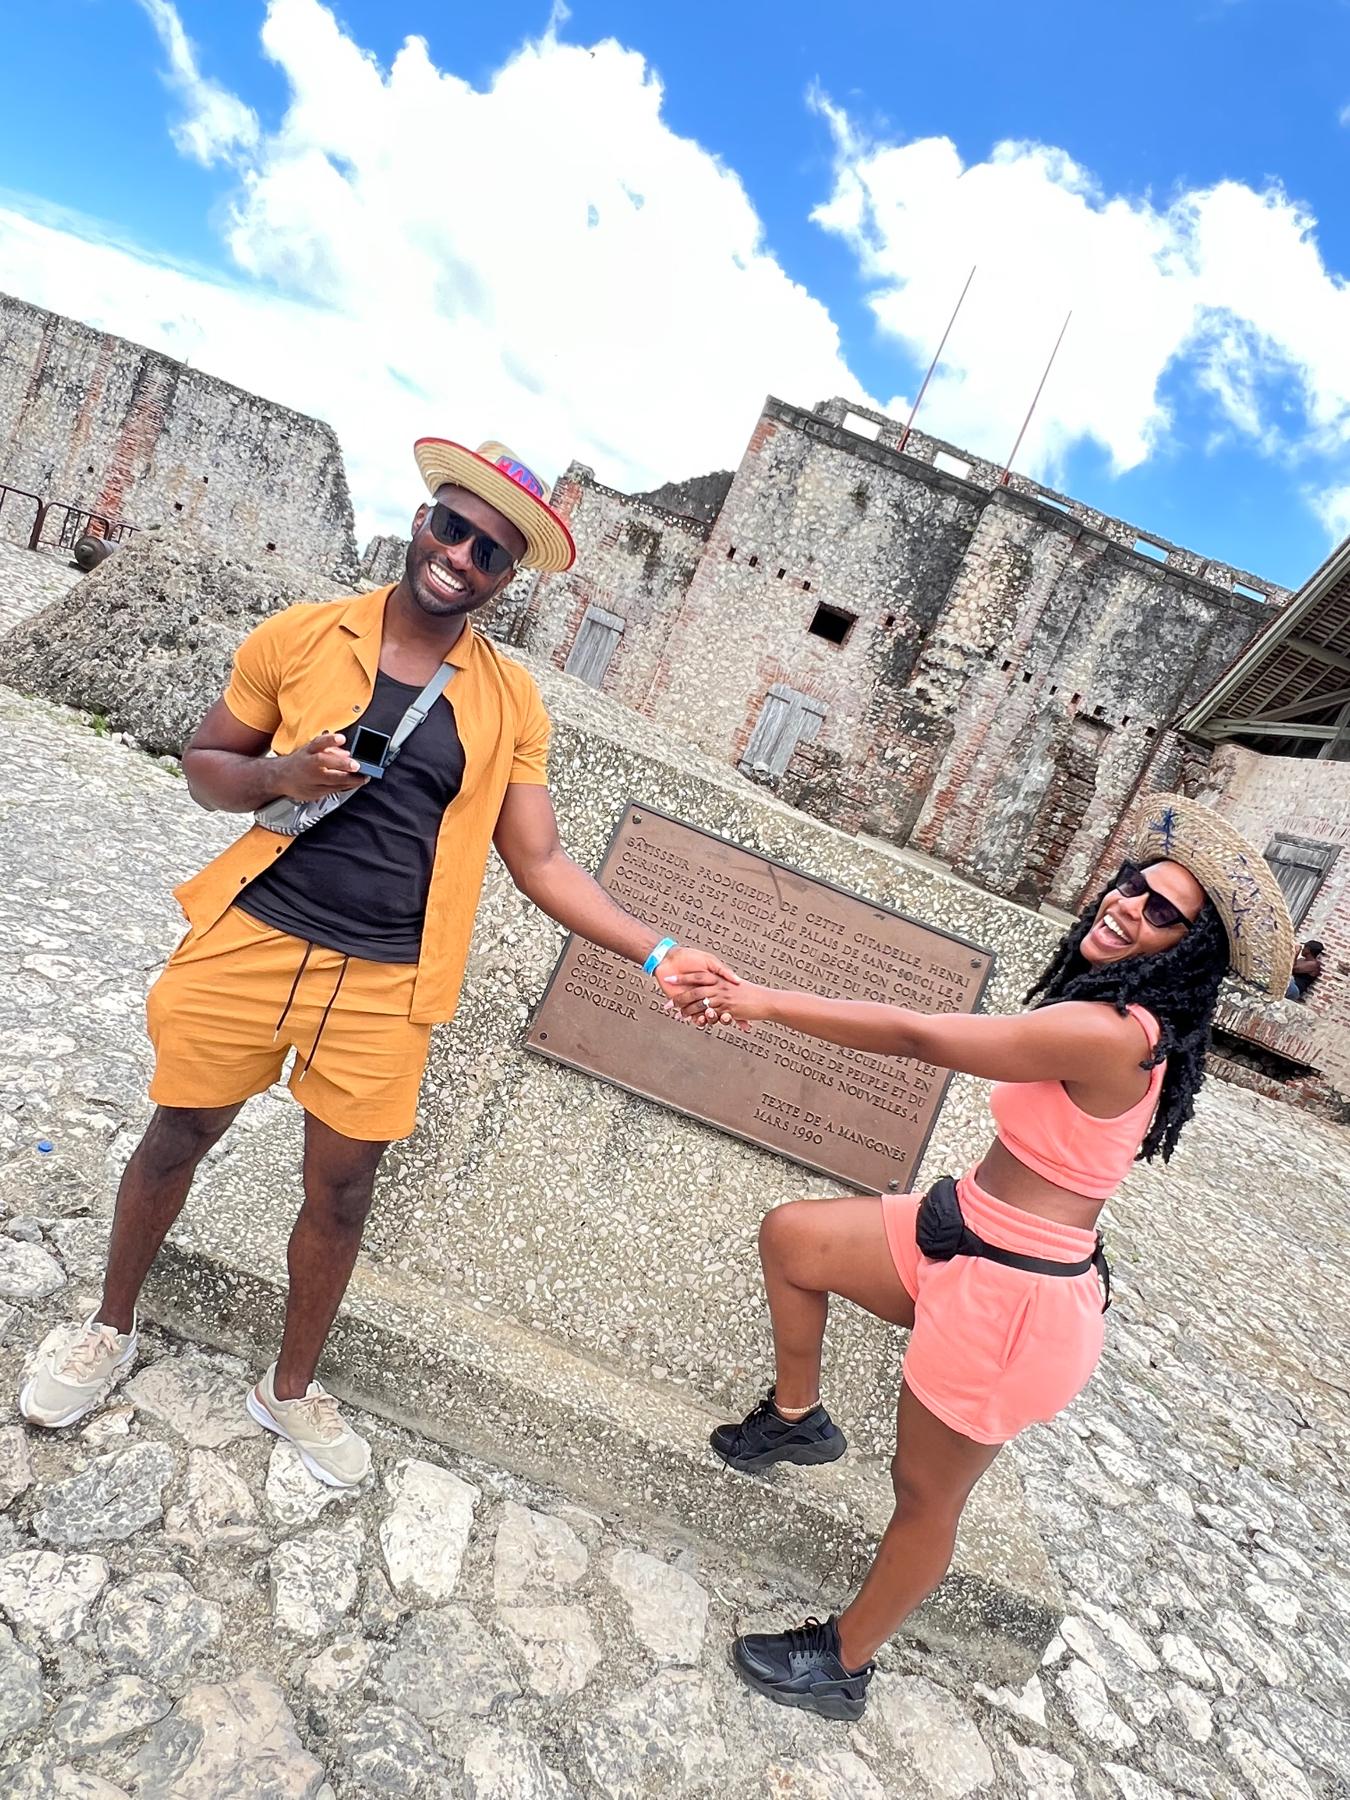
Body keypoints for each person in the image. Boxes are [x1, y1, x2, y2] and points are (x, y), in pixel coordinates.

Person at [20, 436, 730, 1482]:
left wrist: (657, 949)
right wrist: (283, 772)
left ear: (505, 579)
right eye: (453, 526)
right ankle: (111, 1325)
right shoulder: (304, 637)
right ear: (422, 519)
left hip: (387, 983)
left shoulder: (510, 703)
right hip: (256, 939)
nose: (462, 555)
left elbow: (538, 859)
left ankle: (290, 1390)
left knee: (343, 1195)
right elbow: (207, 771)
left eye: (490, 552)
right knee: (177, 1139)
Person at [666, 795, 1294, 1720]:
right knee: (794, 1238)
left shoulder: (1110, 1033)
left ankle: (844, 1663)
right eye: (1131, 885)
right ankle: (796, 1419)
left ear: (1188, 951)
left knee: (923, 1497)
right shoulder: (1109, 1003)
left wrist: (760, 999)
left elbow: (923, 1038)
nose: (1127, 906)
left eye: (1163, 912)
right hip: (960, 1228)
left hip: (1014, 1298)